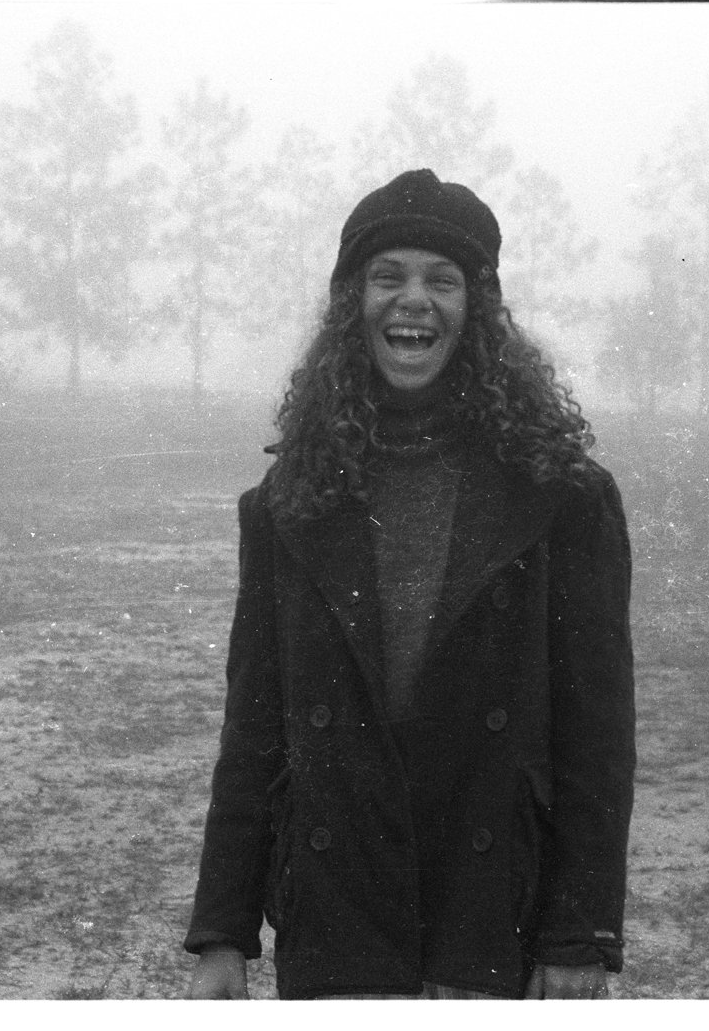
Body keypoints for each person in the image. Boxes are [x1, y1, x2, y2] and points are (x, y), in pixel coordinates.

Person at [183, 169, 635, 1000]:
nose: (413, 300)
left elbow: (596, 741)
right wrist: (222, 932)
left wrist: (580, 932)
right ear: (352, 306)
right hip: (337, 918)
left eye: (442, 280)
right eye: (387, 276)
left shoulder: (564, 497)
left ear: (479, 309)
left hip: (494, 917)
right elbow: (253, 735)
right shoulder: (285, 505)